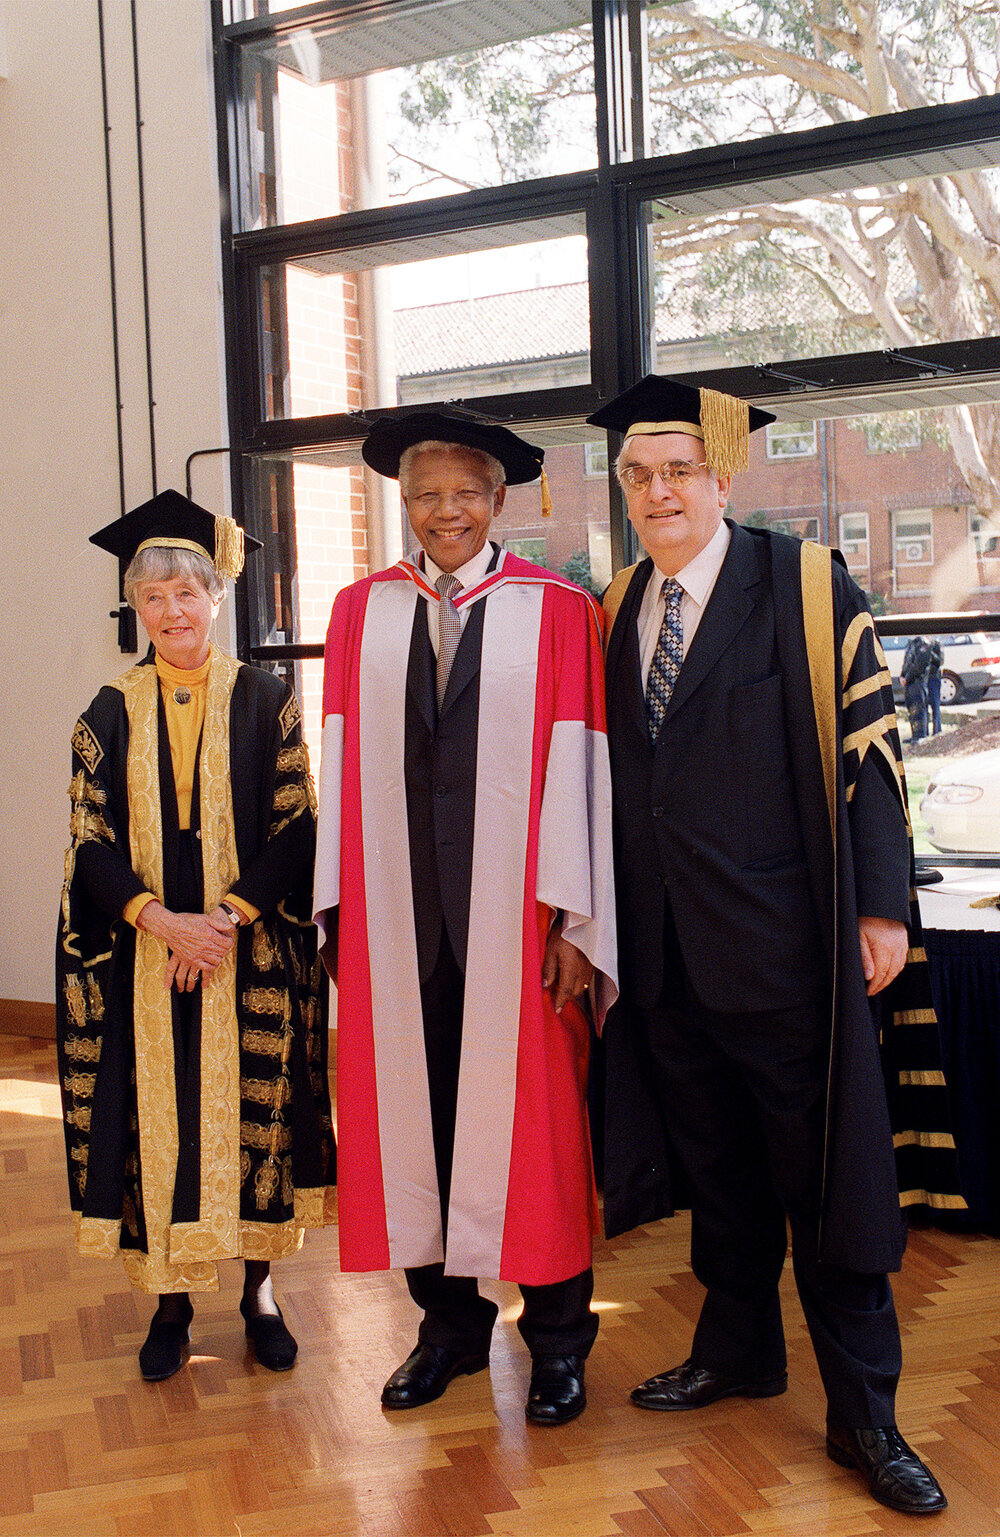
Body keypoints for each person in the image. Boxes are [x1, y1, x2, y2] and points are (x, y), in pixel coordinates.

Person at [589, 376, 962, 1515]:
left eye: (679, 472)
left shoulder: (799, 584)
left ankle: (867, 1417)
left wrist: (883, 906)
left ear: (720, 477)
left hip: (780, 949)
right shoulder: (613, 606)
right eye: (639, 475)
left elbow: (872, 748)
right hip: (663, 956)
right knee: (720, 1177)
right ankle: (738, 1350)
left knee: (824, 1186)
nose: (659, 491)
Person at [313, 411, 616, 1425]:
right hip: (400, 922)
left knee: (538, 1130)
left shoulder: (559, 607)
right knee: (418, 1125)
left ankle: (560, 1341)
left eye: (462, 493)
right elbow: (342, 764)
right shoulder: (361, 610)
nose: (443, 510)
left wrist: (577, 925)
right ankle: (446, 1331)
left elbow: (580, 769)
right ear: (404, 503)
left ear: (497, 501)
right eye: (423, 494)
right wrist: (341, 913)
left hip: (516, 924)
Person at [57, 489, 335, 1383]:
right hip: (147, 958)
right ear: (136, 609)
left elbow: (300, 827)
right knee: (154, 1123)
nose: (172, 612)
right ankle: (171, 1305)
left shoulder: (268, 701)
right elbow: (88, 842)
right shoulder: (106, 711)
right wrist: (163, 921)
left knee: (258, 1120)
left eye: (187, 593)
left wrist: (222, 920)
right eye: (153, 598)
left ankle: (258, 1289)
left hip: (246, 951)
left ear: (217, 597)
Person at [901, 634, 930, 741]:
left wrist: (907, 678)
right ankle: (915, 735)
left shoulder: (923, 644)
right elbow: (906, 662)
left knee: (919, 709)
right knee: (912, 709)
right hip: (909, 682)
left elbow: (919, 665)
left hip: (917, 681)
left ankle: (921, 736)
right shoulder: (911, 643)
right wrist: (902, 675)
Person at [925, 637, 943, 735]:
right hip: (924, 678)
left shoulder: (937, 644)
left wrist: (930, 651)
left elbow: (939, 661)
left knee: (935, 705)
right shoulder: (920, 644)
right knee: (924, 706)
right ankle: (925, 732)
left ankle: (937, 730)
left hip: (934, 677)